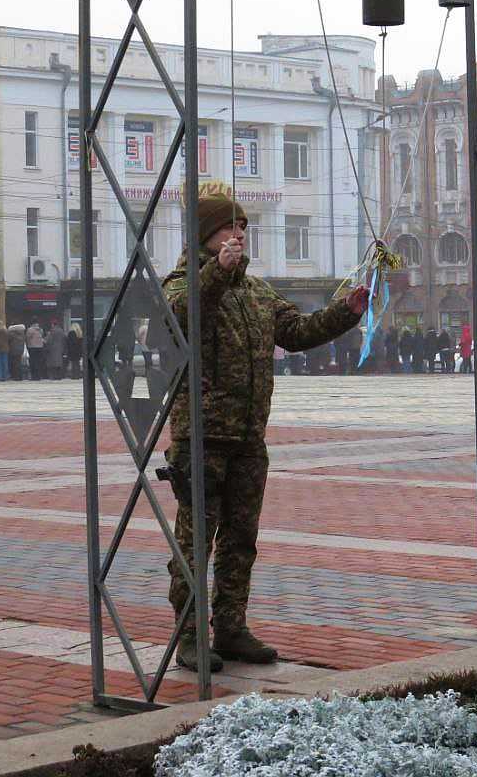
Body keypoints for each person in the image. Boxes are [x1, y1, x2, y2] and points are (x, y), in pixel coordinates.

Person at [161, 184, 368, 671]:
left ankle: (231, 627)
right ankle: (190, 636)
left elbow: (297, 333)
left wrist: (347, 311)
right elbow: (185, 315)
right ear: (206, 235)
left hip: (249, 436)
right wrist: (218, 272)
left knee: (241, 538)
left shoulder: (256, 292)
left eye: (244, 227)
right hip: (202, 437)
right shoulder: (181, 281)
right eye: (230, 226)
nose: (240, 234)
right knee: (195, 542)